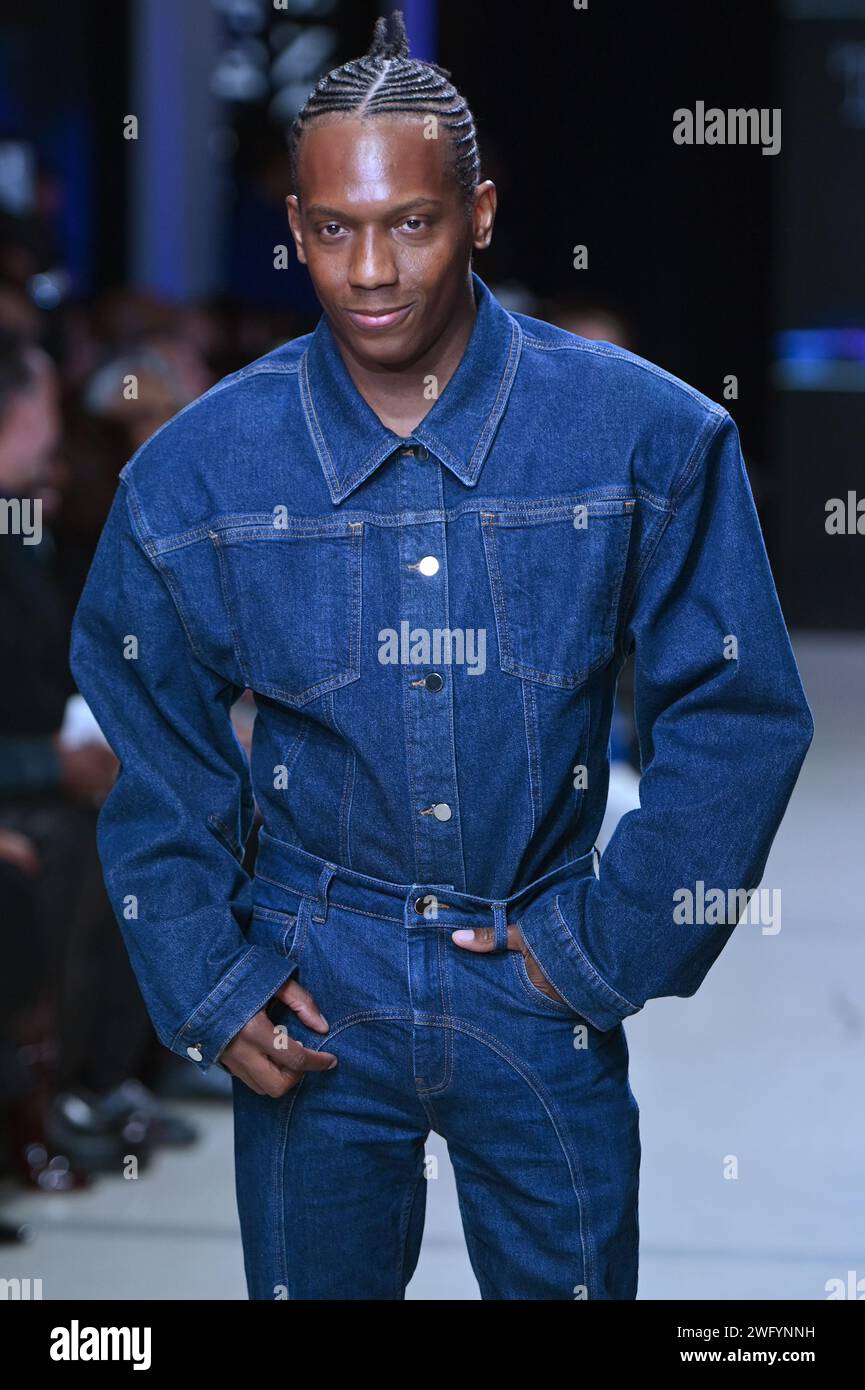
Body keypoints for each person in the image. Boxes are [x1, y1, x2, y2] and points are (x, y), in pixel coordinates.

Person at [69, 11, 814, 1300]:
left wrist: (604, 944)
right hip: (310, 989)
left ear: (478, 211)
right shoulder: (197, 470)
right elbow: (147, 731)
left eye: (410, 222)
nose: (370, 269)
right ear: (295, 229)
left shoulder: (645, 436)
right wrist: (208, 971)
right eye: (335, 229)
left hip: (537, 968)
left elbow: (741, 710)